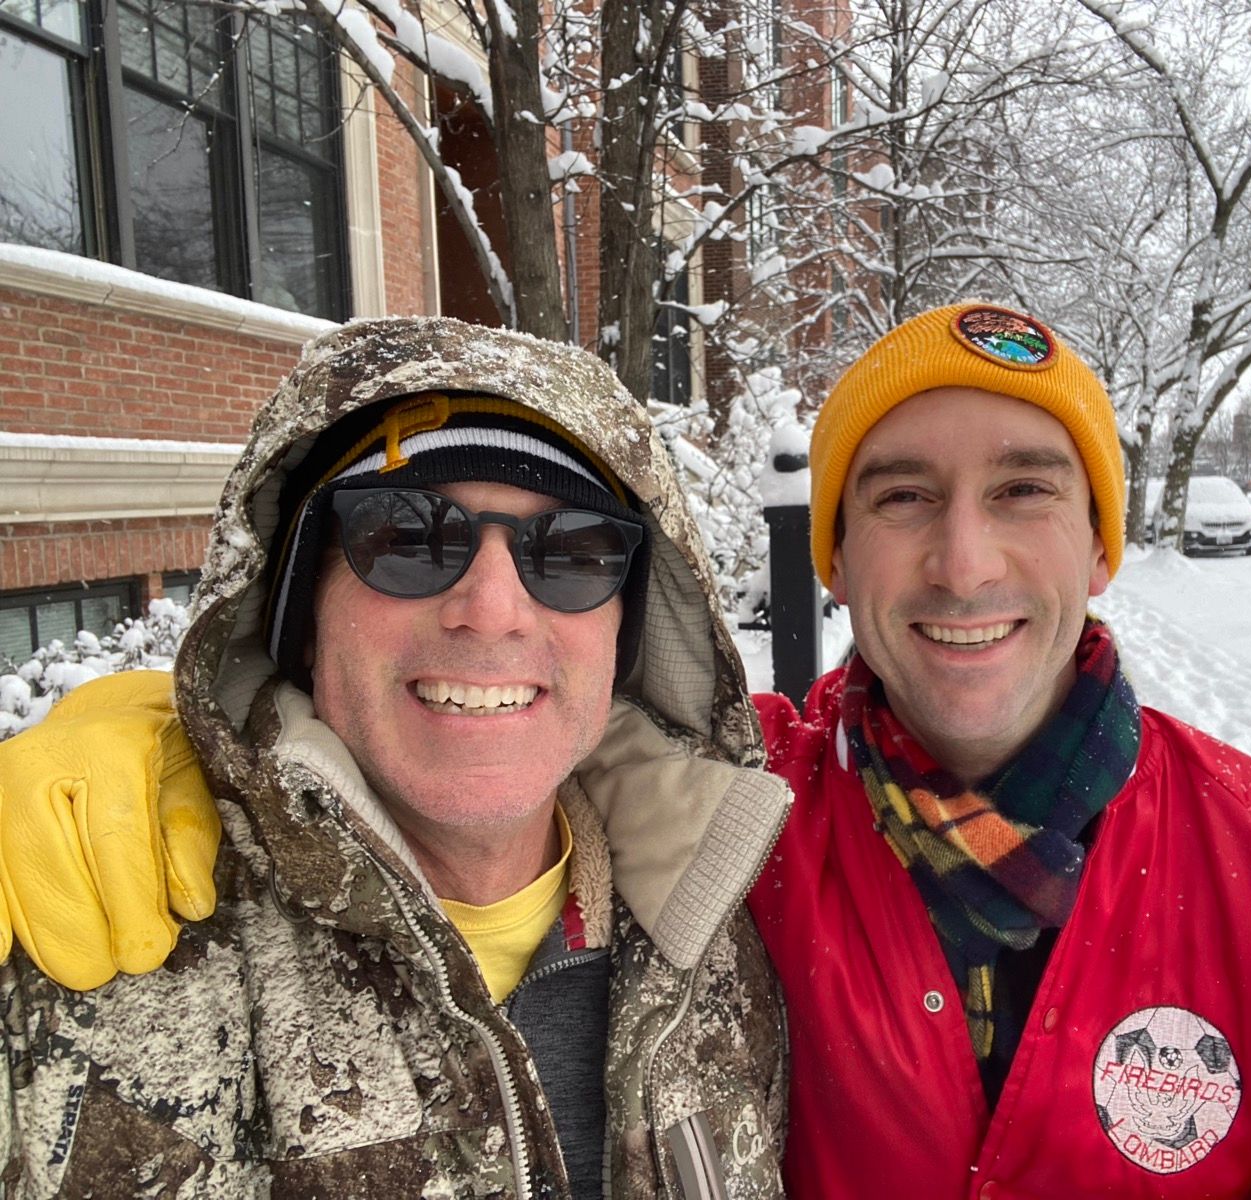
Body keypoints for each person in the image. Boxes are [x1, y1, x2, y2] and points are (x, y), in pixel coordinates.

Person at [1, 304, 1251, 1198]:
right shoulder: (740, 828)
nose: (964, 564)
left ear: (1103, 540)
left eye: (1028, 490)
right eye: (902, 497)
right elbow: (456, 738)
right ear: (832, 555)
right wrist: (174, 737)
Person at [0, 318, 789, 1198]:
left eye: (568, 553)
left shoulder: (717, 946)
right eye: (408, 539)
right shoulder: (70, 987)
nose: (492, 611)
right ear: (300, 620)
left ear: (621, 639)